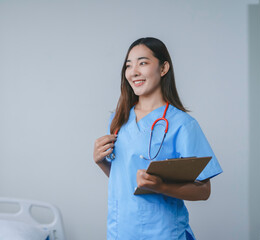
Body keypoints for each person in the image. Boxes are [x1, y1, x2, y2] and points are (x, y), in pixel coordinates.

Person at [93, 37, 222, 240]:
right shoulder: (119, 119)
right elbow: (127, 179)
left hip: (163, 233)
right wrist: (101, 162)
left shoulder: (182, 124)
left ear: (163, 68)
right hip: (120, 230)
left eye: (142, 63)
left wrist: (160, 187)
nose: (133, 71)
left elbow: (203, 190)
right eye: (129, 65)